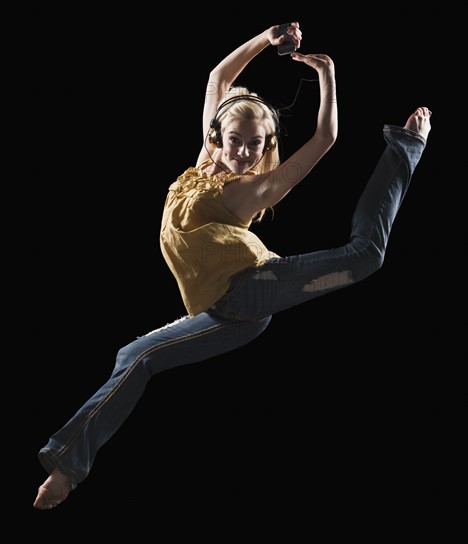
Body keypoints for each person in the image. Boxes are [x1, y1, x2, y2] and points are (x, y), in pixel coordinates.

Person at [33, 22, 431, 510]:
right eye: (236, 141)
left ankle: (407, 148)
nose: (243, 153)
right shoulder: (204, 162)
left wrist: (326, 75)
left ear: (266, 148)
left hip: (259, 287)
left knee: (365, 257)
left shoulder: (252, 190)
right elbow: (217, 80)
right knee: (134, 355)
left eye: (255, 145)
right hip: (228, 316)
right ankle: (70, 466)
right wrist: (267, 39)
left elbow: (325, 138)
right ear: (218, 136)